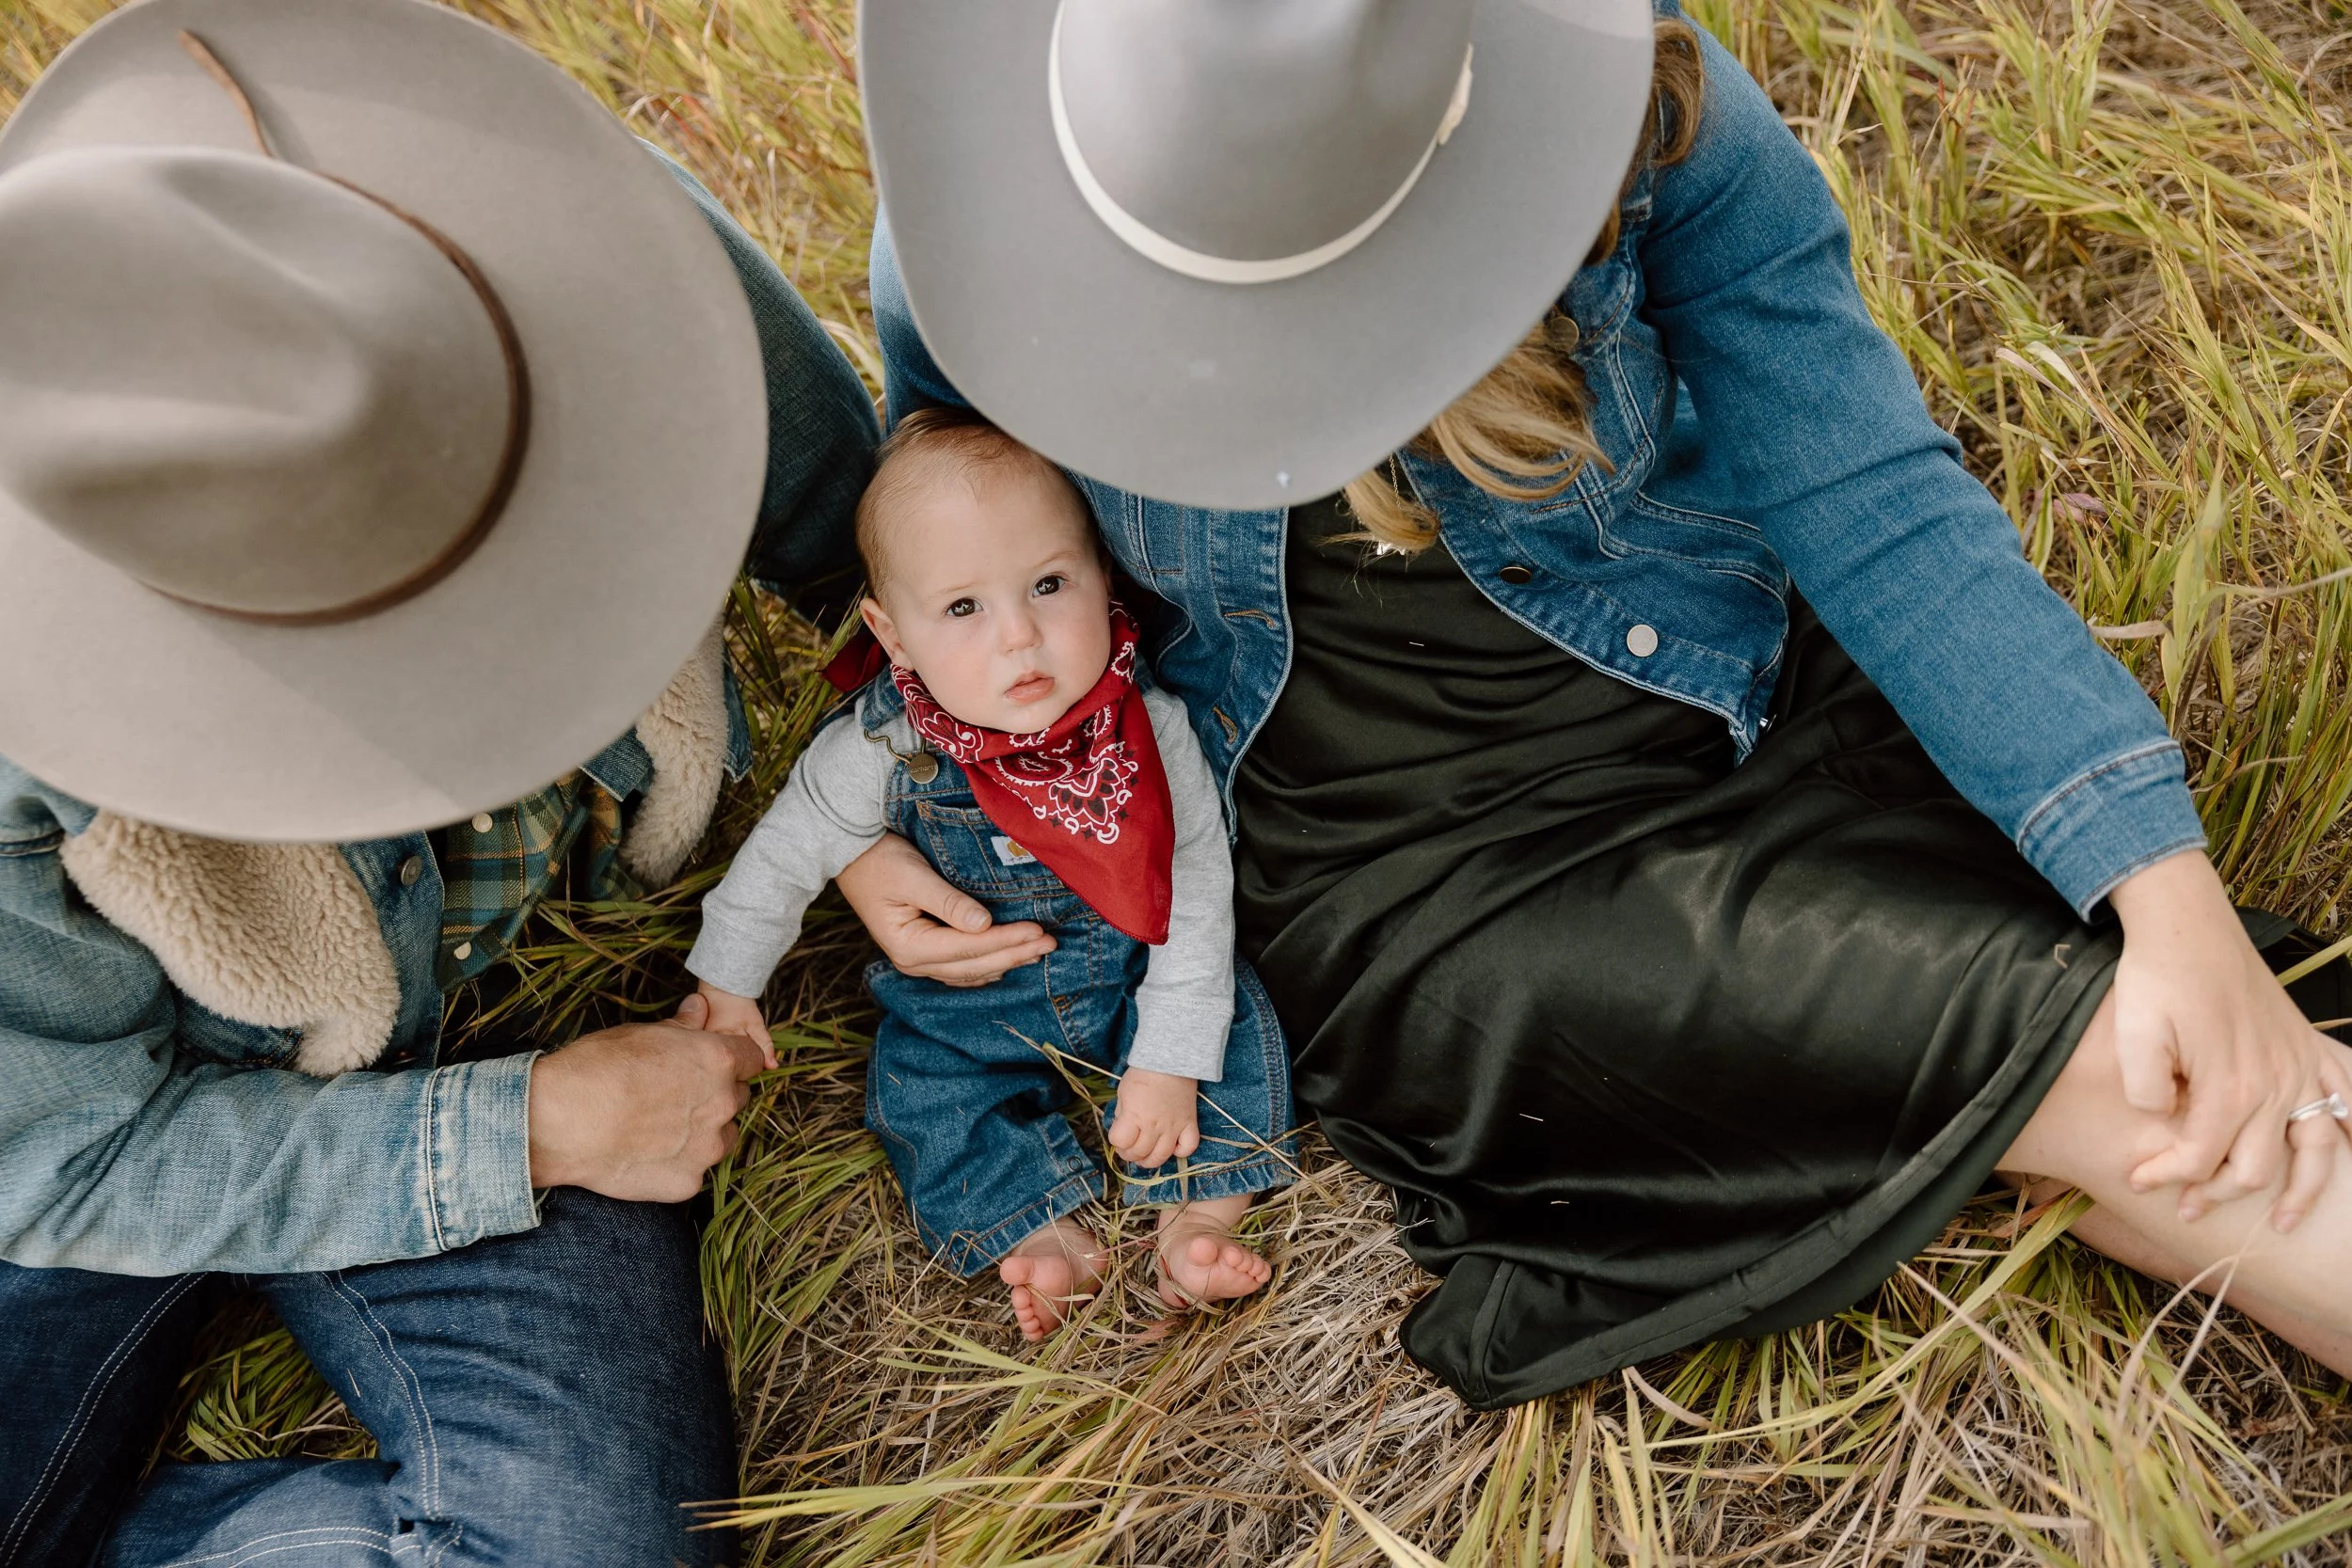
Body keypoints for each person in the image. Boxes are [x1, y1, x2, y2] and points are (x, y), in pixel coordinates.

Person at [826, 0, 2352, 1409]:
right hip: (1419, 878)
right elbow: (953, 571)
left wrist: (2161, 880)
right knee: (2105, 1071)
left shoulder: (1635, 97)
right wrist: (864, 827)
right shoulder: (986, 244)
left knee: (2178, 1034)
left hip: (1733, 686)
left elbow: (1869, 494)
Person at [0, 0, 877, 1560]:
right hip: (104, 1105)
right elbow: (61, 1157)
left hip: (488, 1012)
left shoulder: (578, 252)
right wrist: (521, 1131)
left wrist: (871, 796)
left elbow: (856, 526)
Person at [687, 409, 1295, 1340]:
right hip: (970, 1007)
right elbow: (781, 855)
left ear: (1103, 574)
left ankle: (1197, 1215)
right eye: (964, 607)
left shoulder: (1145, 726)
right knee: (924, 1095)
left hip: (1131, 974)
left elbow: (1197, 888)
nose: (1019, 637)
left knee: (1231, 1027)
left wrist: (1168, 1055)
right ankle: (1042, 1226)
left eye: (1048, 583)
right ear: (893, 634)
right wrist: (726, 983)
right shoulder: (885, 742)